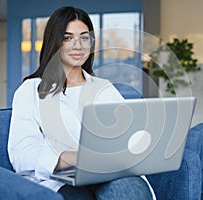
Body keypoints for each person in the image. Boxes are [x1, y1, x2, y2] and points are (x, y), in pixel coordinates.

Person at [8, 6, 154, 199]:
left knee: (129, 190)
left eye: (84, 37)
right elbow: (22, 152)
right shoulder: (31, 90)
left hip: (110, 171)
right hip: (62, 178)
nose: (78, 46)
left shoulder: (104, 87)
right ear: (54, 42)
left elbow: (126, 134)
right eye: (67, 38)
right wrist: (73, 158)